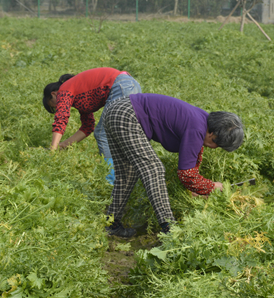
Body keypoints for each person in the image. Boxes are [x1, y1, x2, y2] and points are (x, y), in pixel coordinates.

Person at [104, 93, 244, 238]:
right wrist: (212, 186)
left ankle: (111, 223)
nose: (215, 147)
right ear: (212, 133)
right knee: (154, 169)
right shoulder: (197, 129)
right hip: (127, 115)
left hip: (116, 111)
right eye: (217, 143)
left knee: (127, 174)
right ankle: (169, 228)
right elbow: (186, 174)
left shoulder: (202, 122)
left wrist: (196, 189)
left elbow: (191, 165)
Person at [42, 67, 141, 183]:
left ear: (54, 94)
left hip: (121, 86)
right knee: (125, 135)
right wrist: (63, 145)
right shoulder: (79, 94)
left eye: (54, 104)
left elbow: (61, 118)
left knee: (102, 133)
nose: (59, 105)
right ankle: (131, 179)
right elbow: (87, 127)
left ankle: (112, 182)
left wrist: (52, 150)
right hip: (131, 86)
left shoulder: (64, 89)